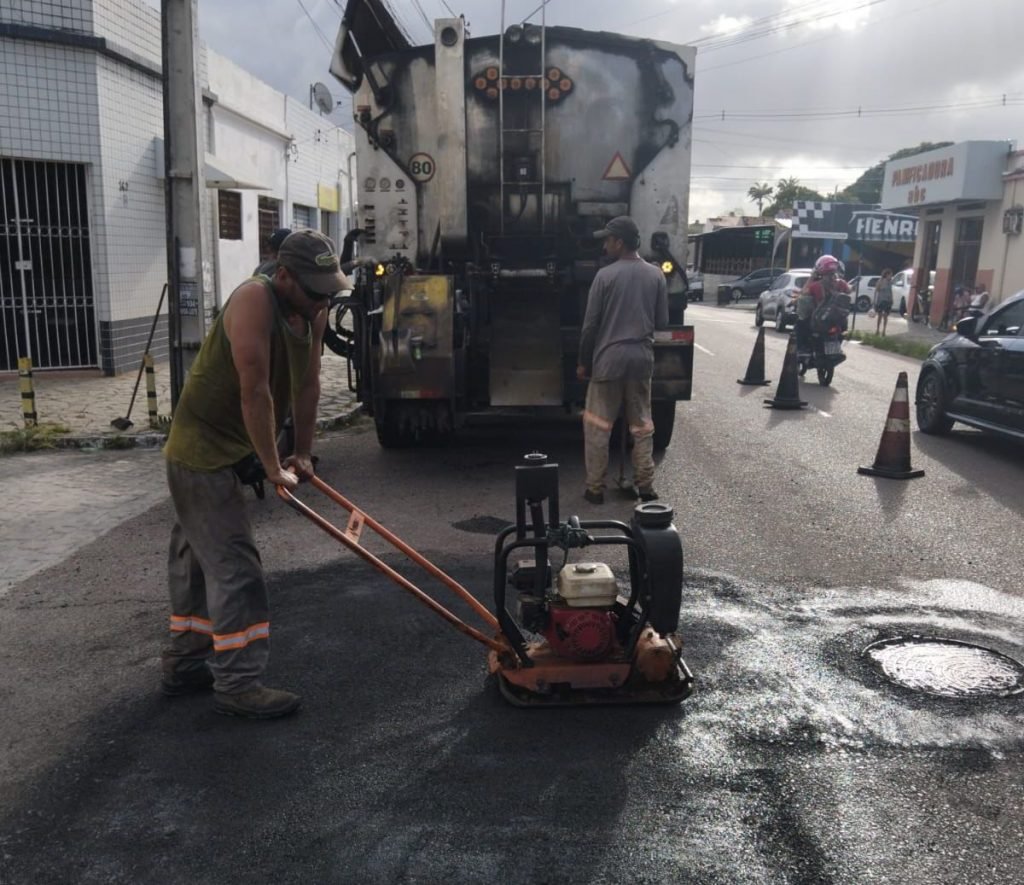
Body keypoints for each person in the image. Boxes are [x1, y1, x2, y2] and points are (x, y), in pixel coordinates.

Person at [161, 230, 347, 719]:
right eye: (315, 291)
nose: (323, 300)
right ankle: (239, 683)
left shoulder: (314, 309)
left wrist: (302, 453)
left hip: (233, 442)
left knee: (196, 561)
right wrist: (270, 465)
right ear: (284, 276)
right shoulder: (252, 299)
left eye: (329, 291)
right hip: (201, 449)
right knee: (234, 565)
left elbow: (308, 385)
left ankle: (184, 663)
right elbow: (256, 391)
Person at [577, 216, 668, 505]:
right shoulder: (656, 275)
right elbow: (662, 322)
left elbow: (590, 326)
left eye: (608, 240)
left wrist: (584, 362)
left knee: (598, 426)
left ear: (619, 242)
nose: (604, 245)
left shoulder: (605, 276)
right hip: (641, 360)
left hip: (609, 361)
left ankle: (595, 489)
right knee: (641, 426)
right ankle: (645, 486)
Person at [874, 268, 894, 336]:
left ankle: (884, 330)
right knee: (879, 316)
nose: (891, 276)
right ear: (886, 274)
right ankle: (877, 329)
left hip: (888, 301)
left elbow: (890, 291)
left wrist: (892, 299)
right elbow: (876, 290)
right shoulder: (881, 281)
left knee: (885, 316)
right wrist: (875, 301)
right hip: (881, 300)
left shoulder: (890, 282)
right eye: (890, 275)